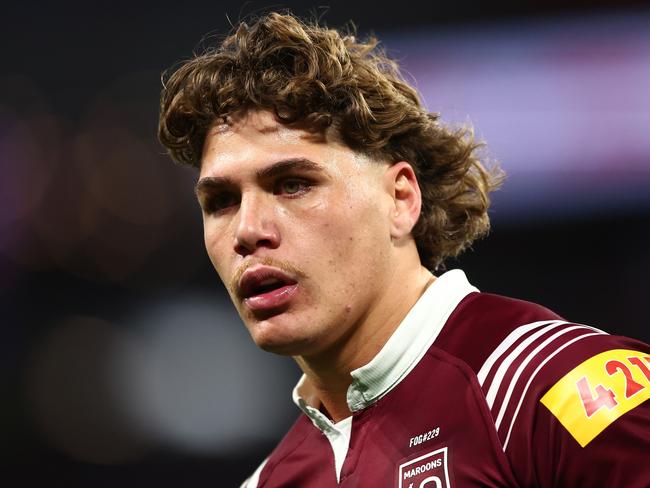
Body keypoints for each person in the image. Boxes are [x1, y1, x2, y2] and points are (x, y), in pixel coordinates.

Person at [157, 12, 650, 487]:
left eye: (292, 185)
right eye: (220, 201)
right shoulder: (269, 482)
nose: (247, 230)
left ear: (400, 199)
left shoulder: (553, 389)